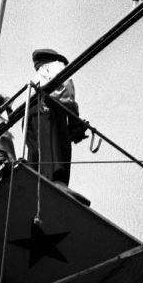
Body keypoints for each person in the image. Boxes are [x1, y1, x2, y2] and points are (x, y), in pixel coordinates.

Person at [23, 47, 89, 187]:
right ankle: (56, 179)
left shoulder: (38, 75)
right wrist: (74, 121)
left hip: (30, 113)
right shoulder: (56, 66)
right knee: (56, 146)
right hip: (48, 109)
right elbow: (65, 91)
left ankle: (35, 181)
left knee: (37, 151)